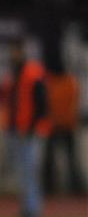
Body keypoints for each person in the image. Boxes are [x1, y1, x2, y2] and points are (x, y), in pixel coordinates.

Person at [0, 39, 50, 217]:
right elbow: (7, 102)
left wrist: (33, 127)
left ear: (22, 51)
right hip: (12, 129)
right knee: (21, 172)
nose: (13, 54)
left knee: (29, 170)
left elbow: (42, 102)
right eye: (12, 51)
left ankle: (33, 210)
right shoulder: (11, 74)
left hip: (27, 131)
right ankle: (27, 207)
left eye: (16, 51)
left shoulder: (32, 71)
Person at [42, 53, 84, 196]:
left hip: (58, 124)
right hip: (66, 124)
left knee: (55, 160)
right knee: (69, 159)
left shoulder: (51, 83)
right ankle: (73, 187)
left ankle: (50, 187)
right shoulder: (70, 82)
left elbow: (48, 105)